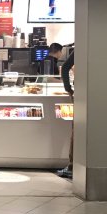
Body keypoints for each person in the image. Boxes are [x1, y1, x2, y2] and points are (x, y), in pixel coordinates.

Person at [48, 42, 74, 178]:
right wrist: (67, 87)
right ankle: (73, 166)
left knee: (78, 130)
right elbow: (64, 69)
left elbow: (65, 68)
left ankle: (73, 166)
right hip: (96, 95)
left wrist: (68, 89)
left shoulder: (82, 48)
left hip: (82, 94)